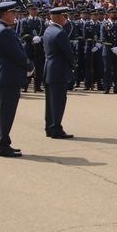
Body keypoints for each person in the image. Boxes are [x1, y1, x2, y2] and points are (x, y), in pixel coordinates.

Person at [0, 0, 29, 157]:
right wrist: (29, 66)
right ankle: (2, 145)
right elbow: (17, 54)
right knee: (6, 113)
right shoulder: (4, 31)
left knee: (3, 112)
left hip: (3, 76)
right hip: (8, 76)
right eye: (13, 13)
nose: (15, 16)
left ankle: (3, 142)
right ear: (6, 14)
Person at [42, 7, 76, 138]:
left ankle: (50, 126)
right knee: (58, 100)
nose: (65, 19)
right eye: (64, 16)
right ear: (58, 17)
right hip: (59, 70)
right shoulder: (59, 32)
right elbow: (67, 52)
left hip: (50, 68)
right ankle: (56, 128)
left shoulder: (48, 30)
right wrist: (74, 63)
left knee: (51, 101)